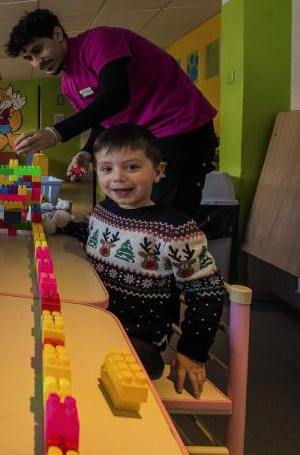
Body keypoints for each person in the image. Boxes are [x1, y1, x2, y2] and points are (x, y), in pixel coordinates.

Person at [8, 9, 218, 216]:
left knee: (164, 216)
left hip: (181, 128)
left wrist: (55, 133)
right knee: (118, 211)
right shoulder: (68, 84)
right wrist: (86, 152)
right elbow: (103, 118)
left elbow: (117, 95)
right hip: (141, 143)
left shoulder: (98, 41)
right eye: (29, 58)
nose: (37, 62)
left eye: (38, 50)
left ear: (57, 34)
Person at [85, 124, 224, 397]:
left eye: (132, 167)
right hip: (95, 320)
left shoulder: (175, 229)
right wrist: (63, 225)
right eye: (106, 169)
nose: (118, 178)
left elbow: (207, 292)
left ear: (159, 171)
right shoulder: (104, 210)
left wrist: (192, 351)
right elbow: (93, 236)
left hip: (137, 340)